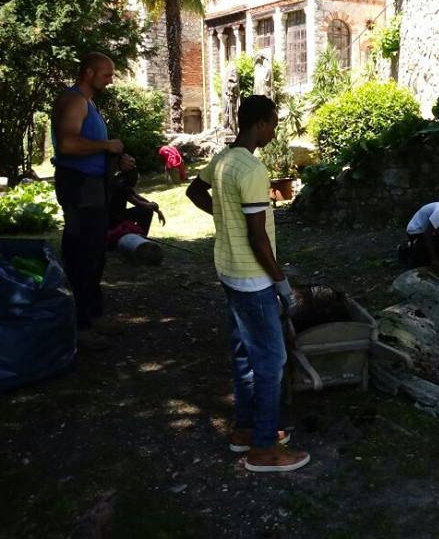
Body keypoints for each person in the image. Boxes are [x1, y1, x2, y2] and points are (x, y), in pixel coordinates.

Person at [186, 95, 310, 474]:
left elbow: (194, 191)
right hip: (252, 278)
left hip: (227, 269)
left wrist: (225, 216)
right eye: (273, 123)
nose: (274, 130)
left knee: (244, 352)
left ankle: (244, 428)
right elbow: (259, 240)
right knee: (272, 360)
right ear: (259, 123)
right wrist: (281, 282)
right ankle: (263, 449)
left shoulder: (223, 159)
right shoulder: (252, 169)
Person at [51, 52, 134, 351]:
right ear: (88, 73)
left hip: (91, 184)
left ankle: (93, 315)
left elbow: (85, 146)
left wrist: (114, 157)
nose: (111, 80)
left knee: (95, 250)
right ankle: (80, 325)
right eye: (107, 75)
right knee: (83, 251)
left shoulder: (88, 103)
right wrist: (105, 145)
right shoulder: (74, 101)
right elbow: (67, 143)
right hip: (79, 186)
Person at [108, 168, 165, 235]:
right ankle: (141, 236)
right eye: (136, 178)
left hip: (118, 215)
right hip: (114, 219)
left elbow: (139, 198)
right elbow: (138, 203)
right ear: (130, 178)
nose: (137, 181)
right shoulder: (121, 187)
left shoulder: (124, 184)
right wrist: (153, 205)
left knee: (147, 208)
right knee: (147, 210)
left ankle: (140, 235)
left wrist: (157, 210)